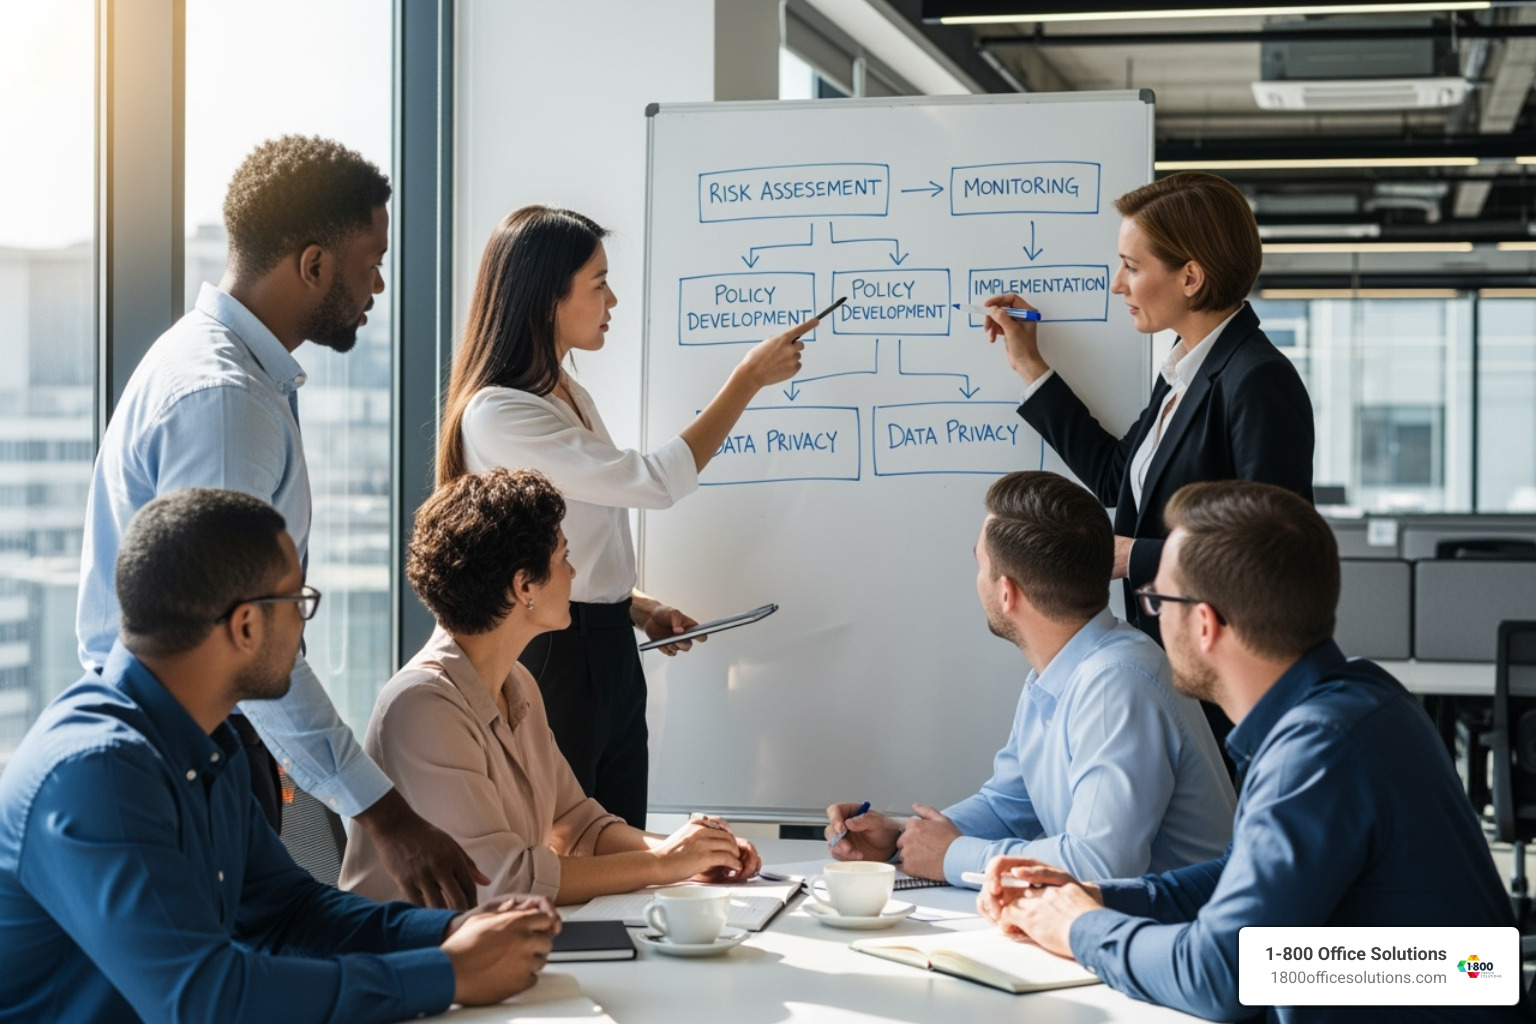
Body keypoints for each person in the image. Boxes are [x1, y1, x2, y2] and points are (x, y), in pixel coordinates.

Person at [76, 135, 482, 908]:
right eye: (370, 262)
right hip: (183, 757)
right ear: (313, 264)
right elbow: (237, 636)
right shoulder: (226, 402)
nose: (380, 284)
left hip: (204, 744)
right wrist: (388, 816)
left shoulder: (215, 370)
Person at [0, 488, 560, 1023]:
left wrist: (453, 932)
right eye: (297, 602)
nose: (302, 625)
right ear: (245, 625)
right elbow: (204, 1000)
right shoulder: (97, 773)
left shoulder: (208, 742)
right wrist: (448, 972)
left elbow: (287, 912)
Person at [978, 481, 1526, 1024]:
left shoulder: (1318, 749)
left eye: (1156, 600)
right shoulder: (1359, 702)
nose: (1152, 619)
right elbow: (1243, 880)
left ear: (1205, 623)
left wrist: (1079, 928)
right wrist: (1100, 897)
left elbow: (1224, 976)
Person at [438, 205, 816, 827]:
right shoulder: (500, 413)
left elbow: (584, 535)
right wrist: (747, 379)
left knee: (619, 837)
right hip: (556, 653)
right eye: (598, 283)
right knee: (570, 847)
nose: (612, 299)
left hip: (604, 642)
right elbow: (653, 481)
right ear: (547, 299)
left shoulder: (565, 392)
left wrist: (636, 608)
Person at [984, 172, 1313, 750]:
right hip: (1170, 662)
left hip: (1225, 683)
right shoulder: (1183, 372)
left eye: (1132, 267)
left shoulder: (1256, 380)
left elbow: (1274, 558)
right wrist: (1029, 366)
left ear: (1190, 276)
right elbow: (1119, 476)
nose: (1118, 285)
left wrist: (1135, 556)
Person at [341, 468, 762, 905]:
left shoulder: (516, 682)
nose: (573, 572)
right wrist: (665, 864)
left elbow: (577, 823)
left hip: (487, 948)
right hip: (413, 960)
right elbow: (504, 881)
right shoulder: (424, 706)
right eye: (563, 557)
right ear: (524, 586)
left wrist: (688, 850)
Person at [825, 471, 1233, 886]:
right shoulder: (1059, 670)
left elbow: (1098, 864)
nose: (976, 581)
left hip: (1182, 940)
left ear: (1007, 592)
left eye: (980, 565)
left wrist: (952, 856)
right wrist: (903, 838)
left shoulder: (1117, 684)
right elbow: (1008, 806)